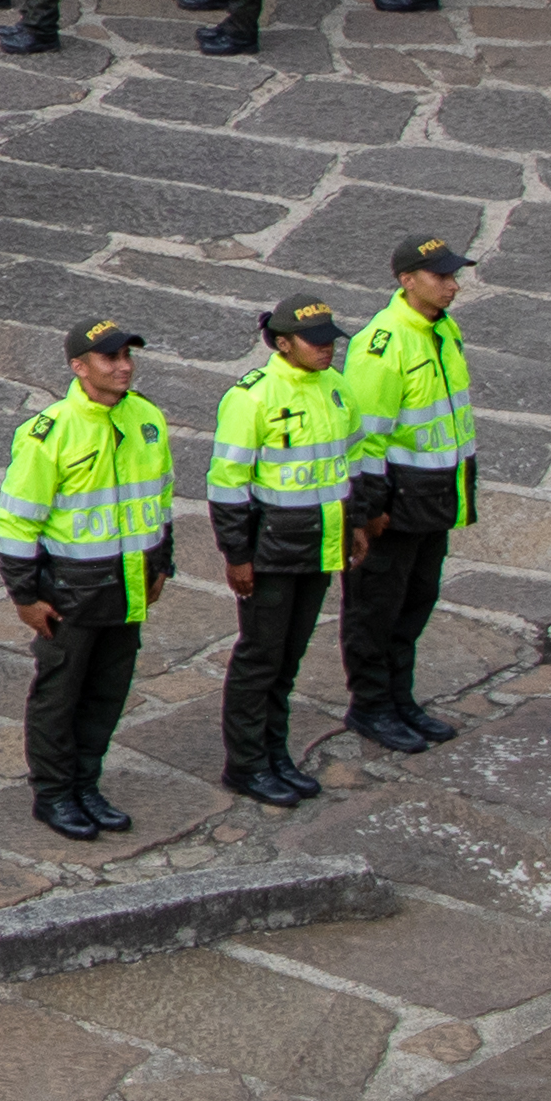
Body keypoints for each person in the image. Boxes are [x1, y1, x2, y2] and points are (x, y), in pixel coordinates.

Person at [0, 320, 173, 842]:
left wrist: (161, 563)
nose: (123, 366)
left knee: (107, 693)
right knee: (59, 696)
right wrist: (25, 595)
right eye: (109, 358)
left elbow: (160, 499)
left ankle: (85, 783)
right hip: (70, 593)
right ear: (79, 367)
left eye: (127, 357)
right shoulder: (47, 432)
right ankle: (53, 794)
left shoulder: (147, 419)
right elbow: (16, 521)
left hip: (128, 588)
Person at [209, 295, 359, 805]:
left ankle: (275, 754)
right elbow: (227, 484)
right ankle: (246, 764)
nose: (327, 349)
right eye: (315, 341)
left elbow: (348, 463)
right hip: (271, 554)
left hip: (318, 548)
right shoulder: (252, 397)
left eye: (330, 340)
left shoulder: (336, 389)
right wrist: (237, 555)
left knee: (288, 658)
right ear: (282, 342)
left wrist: (353, 523)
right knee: (260, 658)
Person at [335, 233, 475, 755]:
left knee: (415, 601)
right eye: (441, 277)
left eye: (453, 275)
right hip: (393, 508)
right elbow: (365, 439)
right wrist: (368, 512)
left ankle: (399, 697)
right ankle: (370, 705)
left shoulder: (442, 329)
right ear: (407, 280)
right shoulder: (383, 344)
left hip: (433, 498)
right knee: (374, 608)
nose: (453, 286)